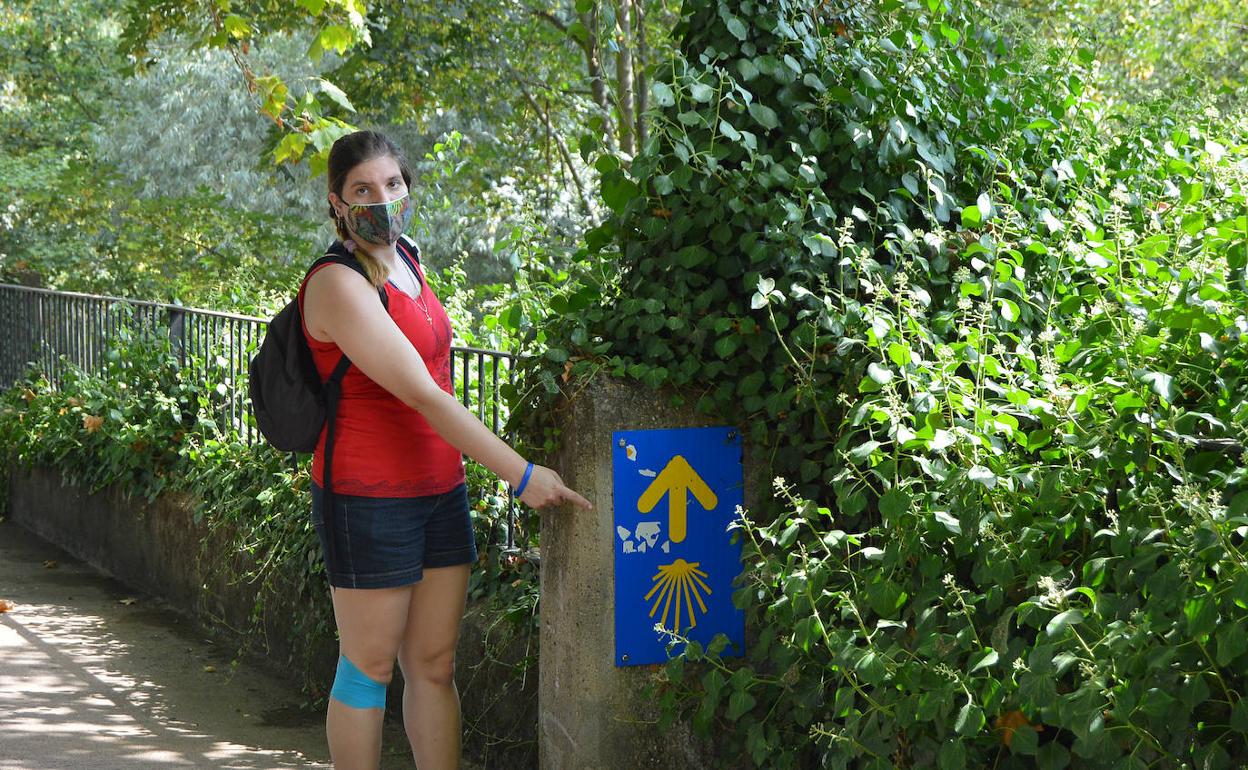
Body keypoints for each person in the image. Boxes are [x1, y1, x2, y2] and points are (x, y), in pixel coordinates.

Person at [298, 129, 592, 770]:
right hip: (366, 497)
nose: (382, 199)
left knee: (433, 664)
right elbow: (425, 396)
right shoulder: (336, 283)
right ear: (337, 203)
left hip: (438, 489)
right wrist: (522, 475)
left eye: (393, 184)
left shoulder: (408, 261)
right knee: (367, 669)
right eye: (363, 190)